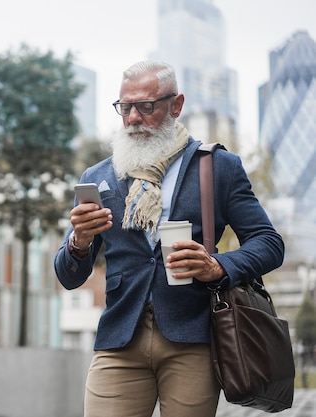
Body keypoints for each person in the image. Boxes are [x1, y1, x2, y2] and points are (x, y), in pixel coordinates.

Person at [53, 60, 284, 417]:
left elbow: (268, 243)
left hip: (193, 337)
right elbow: (69, 276)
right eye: (125, 107)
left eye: (146, 106)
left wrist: (217, 265)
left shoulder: (217, 167)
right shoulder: (99, 176)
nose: (132, 118)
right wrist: (78, 241)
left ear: (176, 105)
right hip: (119, 339)